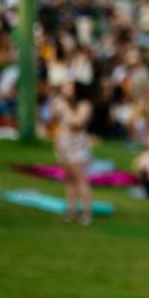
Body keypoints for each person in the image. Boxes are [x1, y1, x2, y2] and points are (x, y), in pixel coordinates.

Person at [51, 79, 94, 224]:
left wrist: (64, 108)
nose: (65, 89)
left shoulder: (84, 105)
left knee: (80, 178)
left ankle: (86, 212)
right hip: (64, 143)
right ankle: (72, 210)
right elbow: (54, 122)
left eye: (68, 87)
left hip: (78, 146)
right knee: (69, 179)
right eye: (64, 86)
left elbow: (77, 123)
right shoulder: (61, 103)